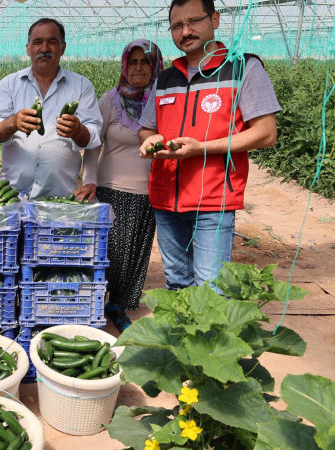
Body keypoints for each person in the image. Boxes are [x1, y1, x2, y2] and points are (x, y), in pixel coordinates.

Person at [139, 0, 279, 290]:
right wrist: (150, 140)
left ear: (215, 19)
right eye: (177, 25)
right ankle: (180, 337)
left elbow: (266, 133)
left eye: (194, 21)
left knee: (210, 287)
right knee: (176, 282)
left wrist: (200, 148)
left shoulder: (242, 68)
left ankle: (211, 337)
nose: (185, 31)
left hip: (213, 199)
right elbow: (147, 129)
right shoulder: (164, 79)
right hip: (166, 198)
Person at [82, 40, 164, 331]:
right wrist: (89, 179)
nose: (139, 67)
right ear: (124, 65)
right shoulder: (110, 100)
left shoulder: (165, 100)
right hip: (111, 186)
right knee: (112, 252)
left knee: (136, 251)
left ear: (155, 66)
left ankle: (118, 303)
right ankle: (99, 302)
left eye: (146, 62)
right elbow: (93, 145)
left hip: (150, 190)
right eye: (133, 62)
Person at [0, 18, 103, 199]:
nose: (44, 49)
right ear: (28, 48)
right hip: (13, 196)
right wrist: (13, 123)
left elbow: (94, 135)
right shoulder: (8, 84)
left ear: (62, 48)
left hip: (61, 196)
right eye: (38, 42)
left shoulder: (81, 86)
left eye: (52, 42)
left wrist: (78, 130)